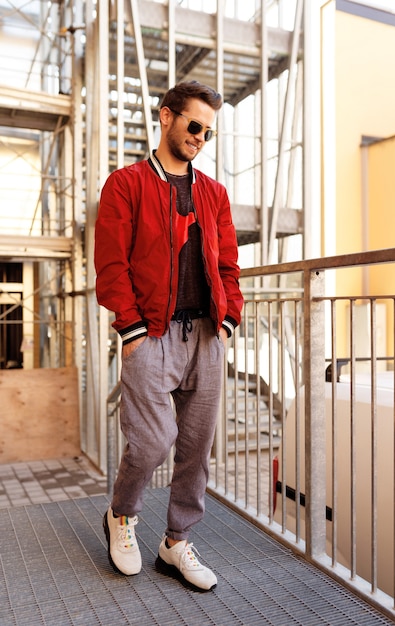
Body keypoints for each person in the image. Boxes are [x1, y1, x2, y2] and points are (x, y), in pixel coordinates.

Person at [94, 80, 243, 591]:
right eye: (194, 125)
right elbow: (111, 265)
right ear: (166, 117)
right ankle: (121, 515)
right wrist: (131, 329)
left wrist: (227, 321)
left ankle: (175, 542)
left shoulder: (214, 194)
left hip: (205, 335)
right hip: (150, 335)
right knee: (152, 441)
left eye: (209, 131)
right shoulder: (125, 184)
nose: (201, 137)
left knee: (197, 448)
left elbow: (227, 264)